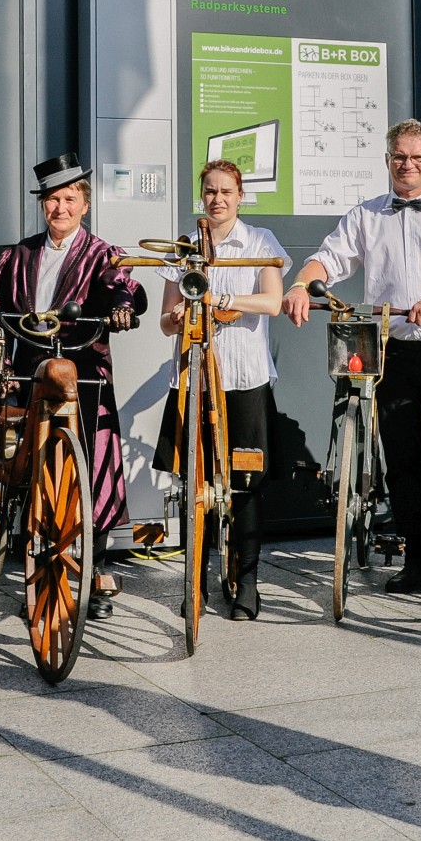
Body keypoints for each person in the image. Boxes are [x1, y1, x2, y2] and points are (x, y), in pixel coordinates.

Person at [282, 119, 421, 608]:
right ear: (387, 160)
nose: (408, 164)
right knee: (402, 464)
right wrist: (299, 284)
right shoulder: (366, 215)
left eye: (418, 157)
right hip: (392, 352)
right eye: (400, 156)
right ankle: (418, 562)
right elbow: (328, 259)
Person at [0, 153, 147, 620]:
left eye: (70, 199)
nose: (60, 208)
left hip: (84, 374)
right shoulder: (19, 255)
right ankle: (39, 566)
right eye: (53, 200)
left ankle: (94, 569)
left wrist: (121, 306)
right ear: (43, 206)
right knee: (35, 467)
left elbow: (123, 285)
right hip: (31, 369)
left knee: (91, 465)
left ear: (85, 204)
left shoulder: (102, 253)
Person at [154, 160, 288, 620]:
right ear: (202, 195)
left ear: (240, 194)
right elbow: (165, 322)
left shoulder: (260, 242)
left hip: (243, 377)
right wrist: (182, 313)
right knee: (196, 483)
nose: (217, 199)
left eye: (226, 191)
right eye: (210, 191)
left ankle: (247, 581)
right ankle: (200, 579)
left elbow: (272, 302)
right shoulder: (185, 246)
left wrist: (222, 300)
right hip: (194, 380)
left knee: (246, 482)